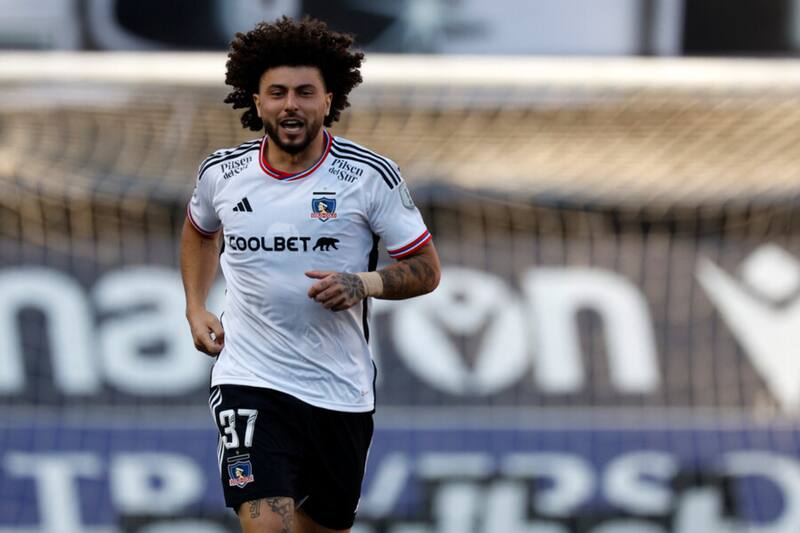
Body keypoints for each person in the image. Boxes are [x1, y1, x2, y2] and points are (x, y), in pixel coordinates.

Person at [179, 16, 440, 533]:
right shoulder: (222, 174)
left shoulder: (369, 177)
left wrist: (361, 284)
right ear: (256, 101)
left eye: (304, 92)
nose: (290, 104)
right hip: (249, 379)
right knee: (267, 527)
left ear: (329, 100)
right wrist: (194, 305)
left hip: (339, 391)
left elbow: (426, 270)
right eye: (276, 93)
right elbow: (200, 232)